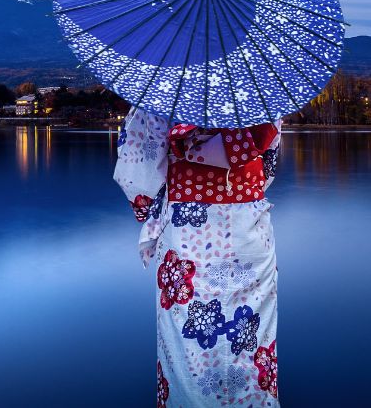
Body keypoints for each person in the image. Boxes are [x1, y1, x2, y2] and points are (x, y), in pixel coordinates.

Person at [114, 107, 281, 407]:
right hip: (249, 232)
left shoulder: (166, 91)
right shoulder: (260, 91)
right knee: (250, 344)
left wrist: (151, 206)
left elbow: (137, 170)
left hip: (188, 236)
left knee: (188, 352)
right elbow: (267, 166)